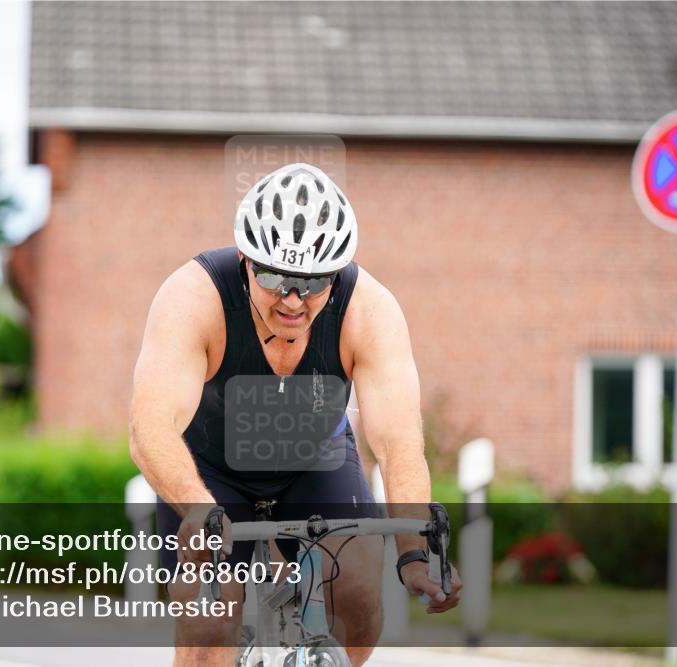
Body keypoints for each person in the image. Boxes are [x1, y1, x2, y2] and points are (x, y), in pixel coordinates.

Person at [130, 163, 461, 666]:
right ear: (244, 258)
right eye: (273, 277)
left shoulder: (368, 309)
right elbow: (150, 428)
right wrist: (197, 509)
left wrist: (415, 553)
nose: (292, 301)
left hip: (315, 463)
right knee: (206, 627)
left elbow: (398, 444)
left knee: (358, 595)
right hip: (208, 472)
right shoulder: (193, 297)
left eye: (312, 283)